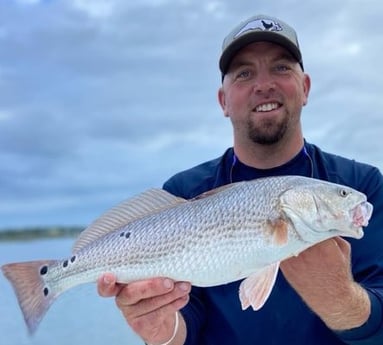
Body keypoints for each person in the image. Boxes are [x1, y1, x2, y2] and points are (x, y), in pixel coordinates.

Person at [97, 14, 383, 345]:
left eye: (281, 68)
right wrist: (162, 331)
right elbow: (187, 320)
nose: (264, 85)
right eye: (244, 73)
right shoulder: (183, 193)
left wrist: (341, 301)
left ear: (304, 88)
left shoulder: (366, 184)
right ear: (223, 101)